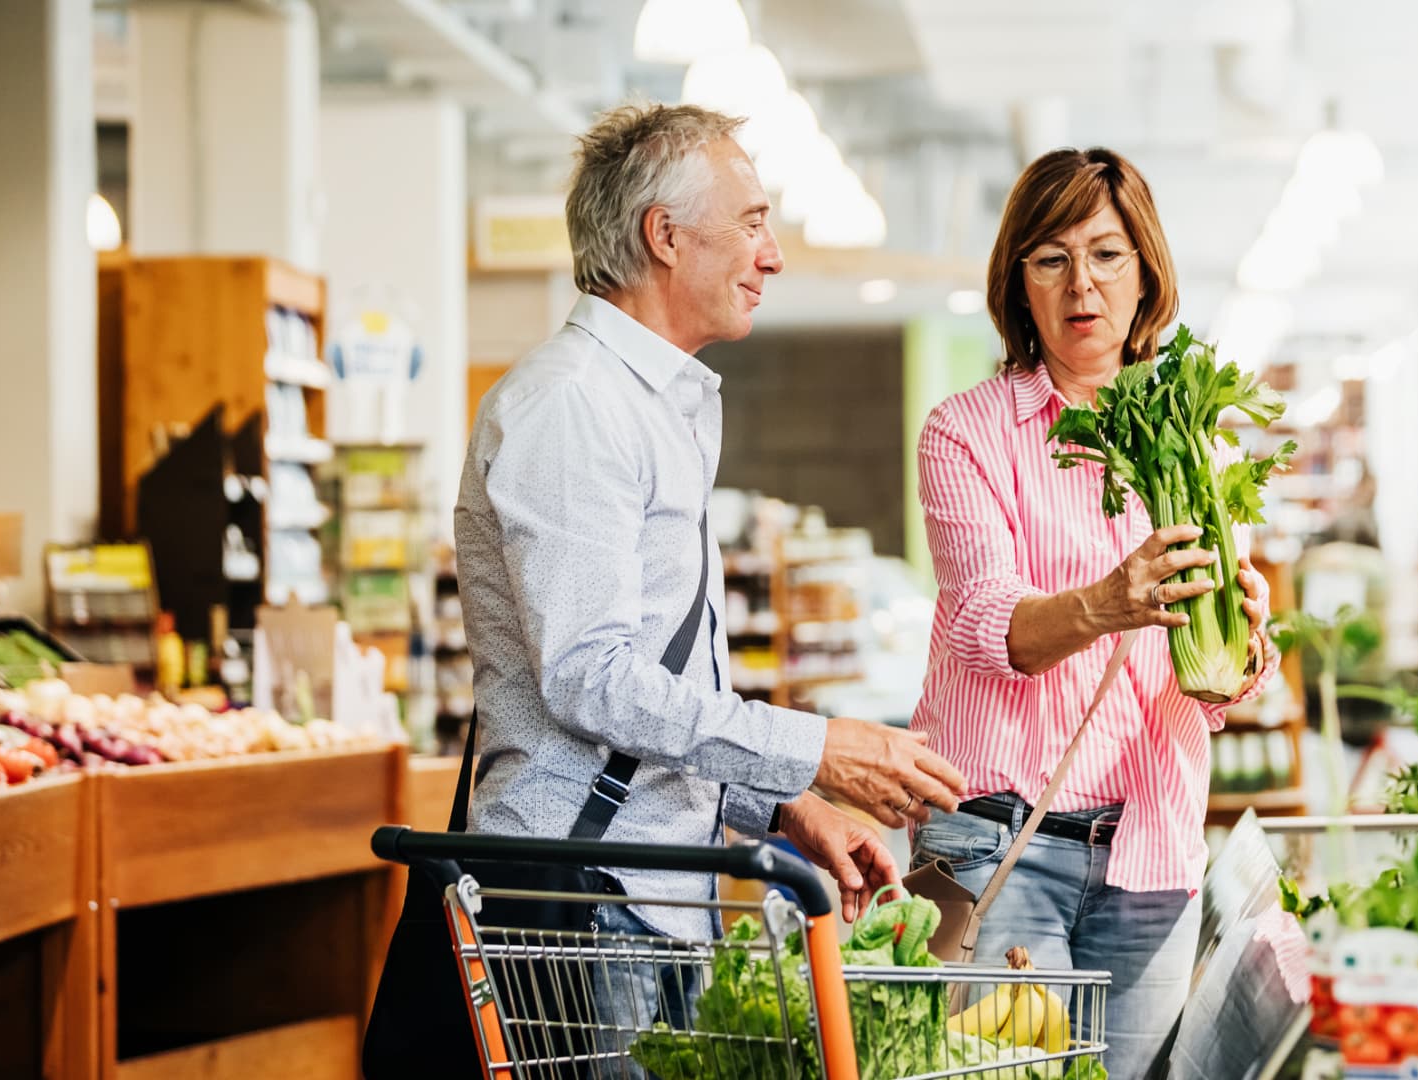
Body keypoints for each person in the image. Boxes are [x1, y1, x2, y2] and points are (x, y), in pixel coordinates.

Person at [455, 103, 967, 952]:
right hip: (585, 899)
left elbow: (662, 678)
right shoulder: (573, 406)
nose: (772, 254)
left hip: (648, 893)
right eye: (752, 223)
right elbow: (591, 677)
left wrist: (789, 805)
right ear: (665, 235)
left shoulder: (653, 404)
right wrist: (811, 750)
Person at [909, 147, 1276, 1078]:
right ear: (1018, 284)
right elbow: (985, 626)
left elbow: (1210, 683)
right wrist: (1110, 603)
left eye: (1108, 255)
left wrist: (1240, 639)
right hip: (995, 842)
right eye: (1052, 258)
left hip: (1149, 844)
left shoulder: (1191, 431)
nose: (1083, 285)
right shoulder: (965, 431)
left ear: (1146, 273)